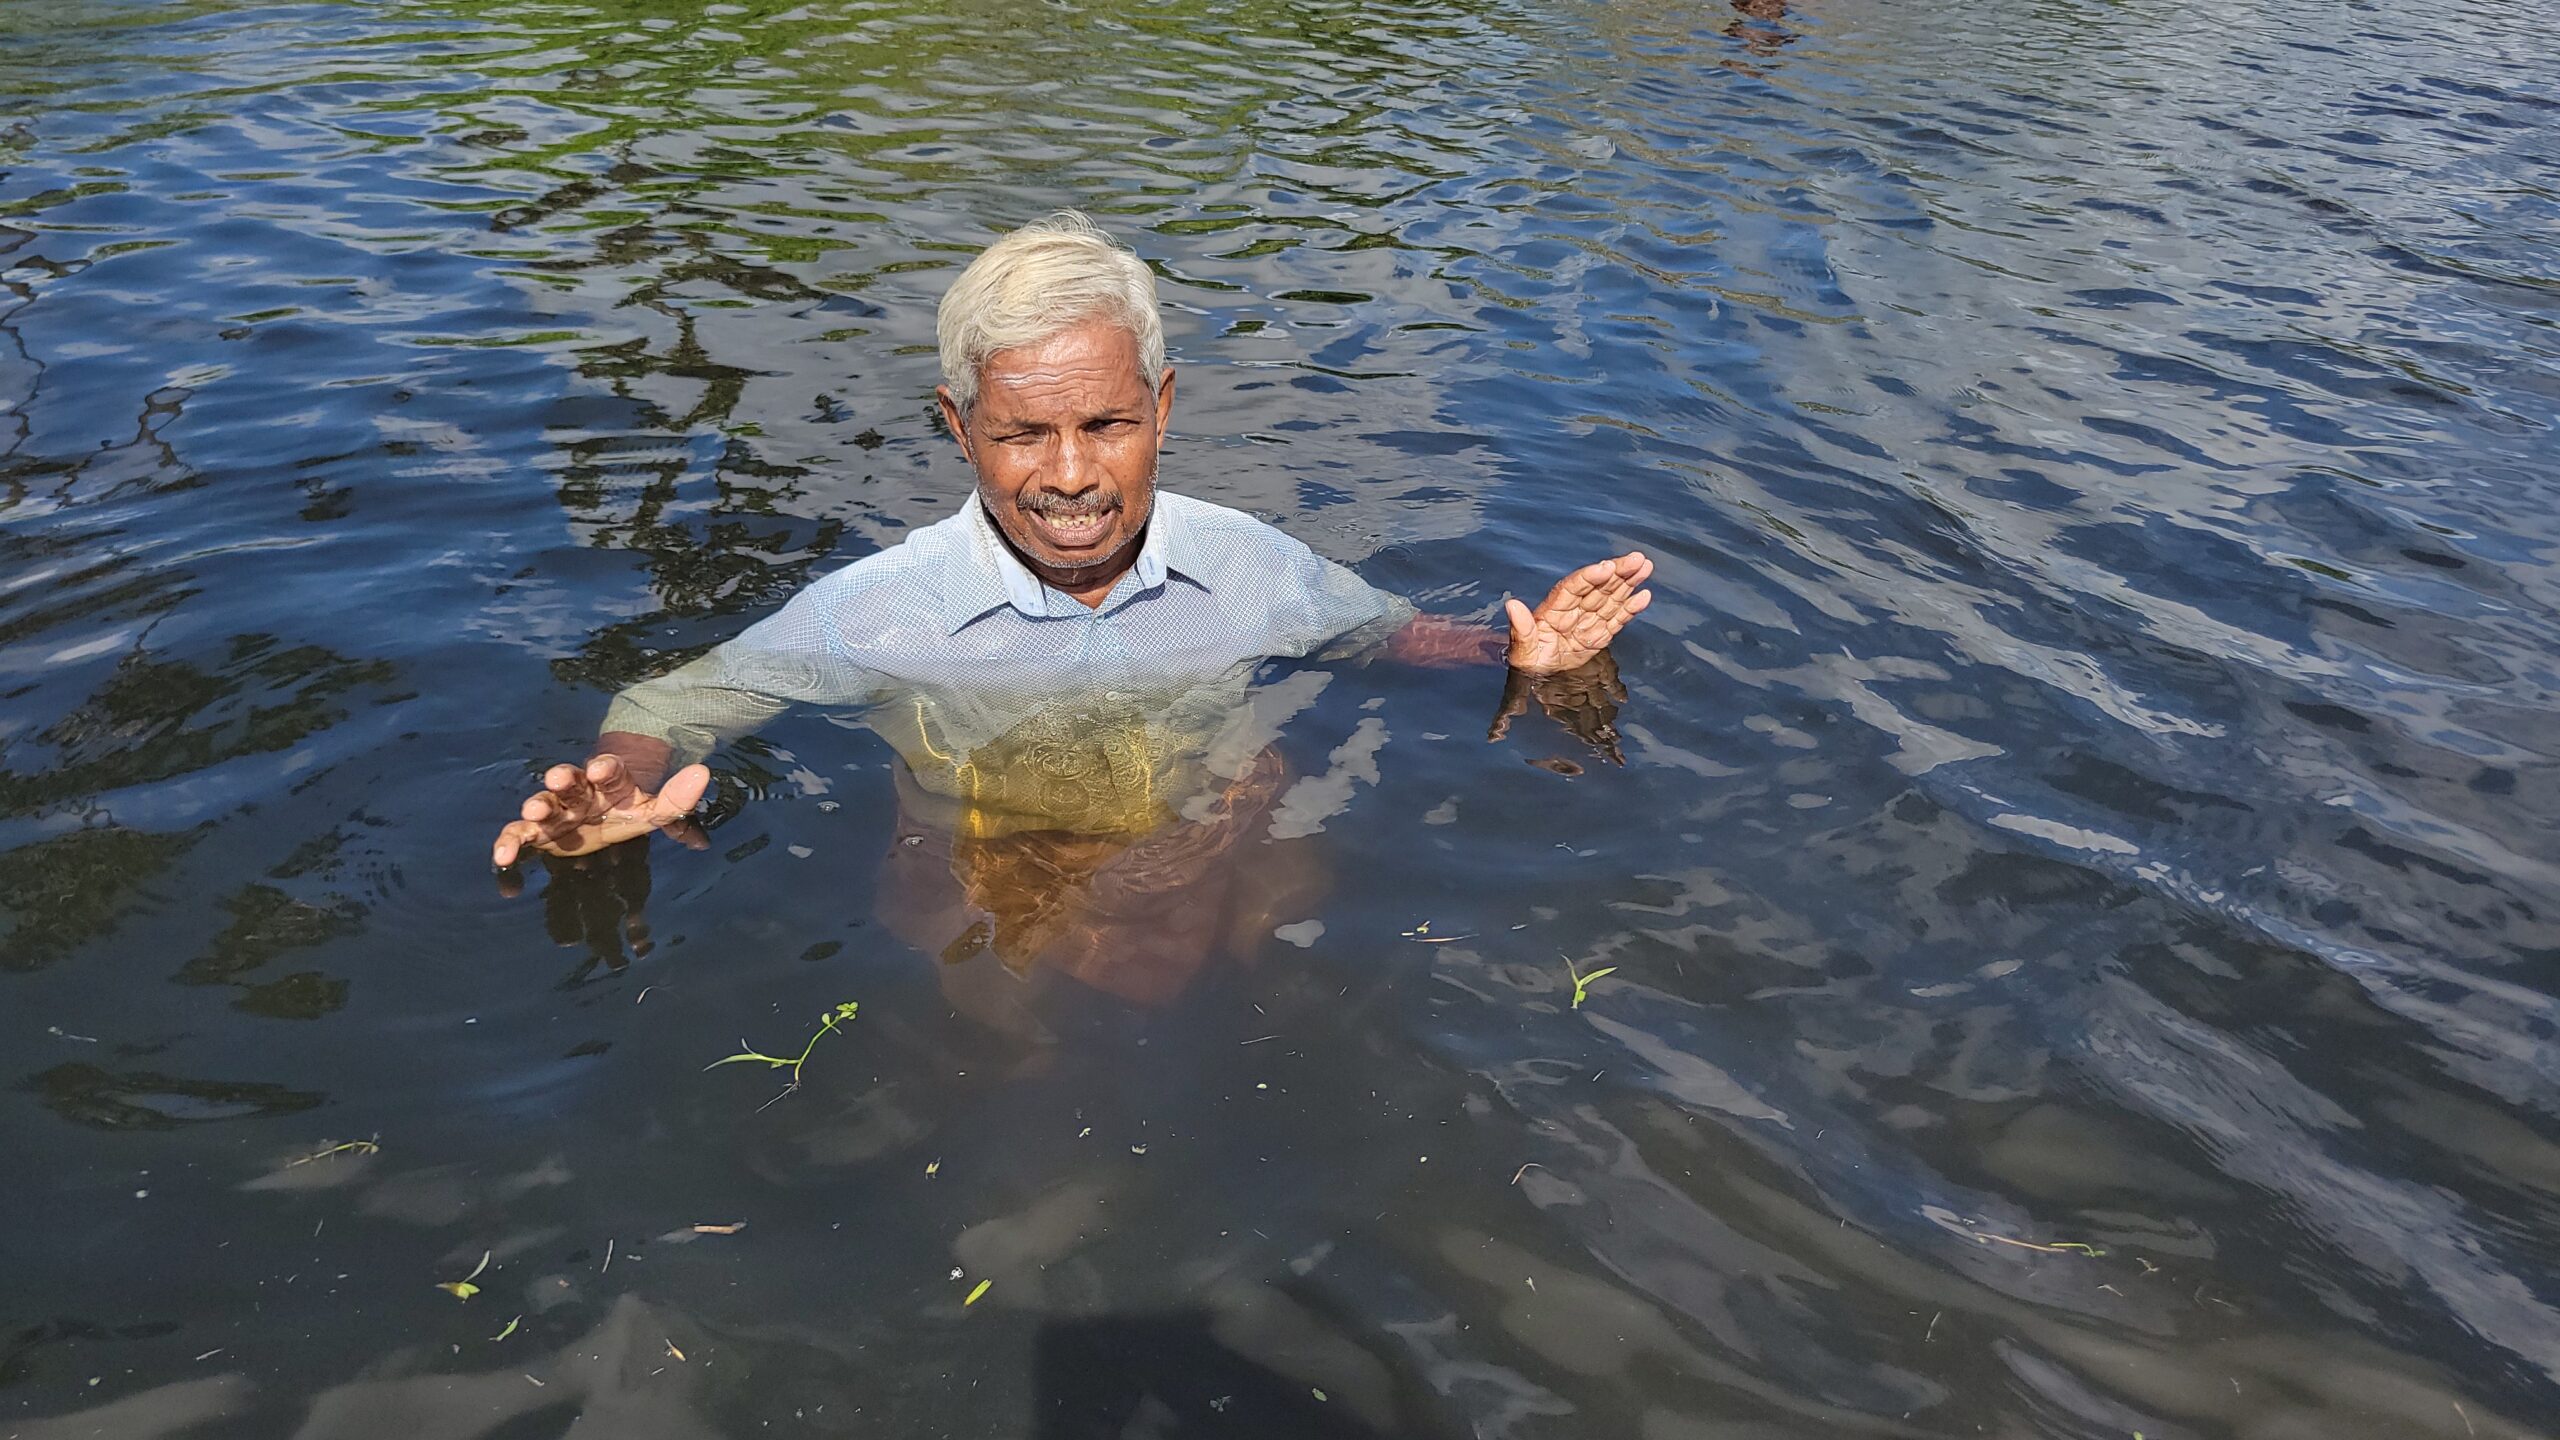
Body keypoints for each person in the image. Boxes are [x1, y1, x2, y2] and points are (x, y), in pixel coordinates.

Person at [490, 211, 1652, 996]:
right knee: (1007, 1076)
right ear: (957, 428)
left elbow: (1385, 636)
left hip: (1220, 853)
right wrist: (620, 786)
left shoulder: (1253, 566)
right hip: (995, 886)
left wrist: (1518, 660)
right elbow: (674, 699)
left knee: (1298, 994)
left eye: (1105, 423)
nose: (1070, 477)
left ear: (1162, 406)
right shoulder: (883, 611)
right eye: (1018, 433)